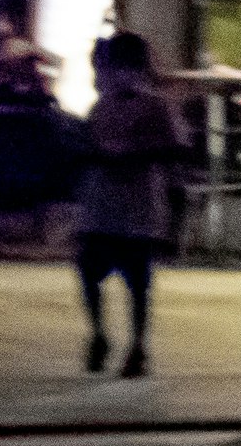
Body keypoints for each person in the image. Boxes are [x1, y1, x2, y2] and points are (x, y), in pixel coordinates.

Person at [72, 32, 188, 377]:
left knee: (137, 282)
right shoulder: (101, 105)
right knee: (89, 270)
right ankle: (100, 335)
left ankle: (136, 346)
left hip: (137, 205)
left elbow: (175, 149)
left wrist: (131, 155)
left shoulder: (155, 105)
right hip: (102, 204)